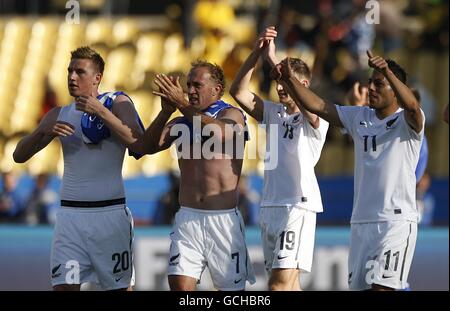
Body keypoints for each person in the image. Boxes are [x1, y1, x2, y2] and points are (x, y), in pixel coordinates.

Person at [275, 51, 425, 291]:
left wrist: (387, 70)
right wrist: (288, 79)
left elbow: (413, 105)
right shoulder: (359, 116)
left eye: (379, 83)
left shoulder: (407, 122)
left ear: (395, 90)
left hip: (394, 223)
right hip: (361, 223)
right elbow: (318, 105)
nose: (371, 88)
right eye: (370, 82)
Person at [13, 46, 144, 291]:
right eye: (70, 71)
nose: (72, 77)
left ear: (97, 78)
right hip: (70, 219)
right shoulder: (60, 114)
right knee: (64, 287)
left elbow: (137, 142)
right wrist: (43, 131)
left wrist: (101, 112)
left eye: (80, 72)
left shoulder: (117, 102)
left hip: (109, 215)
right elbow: (19, 155)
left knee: (119, 289)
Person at [131, 60, 255, 291]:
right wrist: (165, 111)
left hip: (223, 221)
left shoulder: (232, 114)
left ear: (216, 89)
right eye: (188, 85)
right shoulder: (181, 120)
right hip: (188, 218)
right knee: (179, 285)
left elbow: (220, 134)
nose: (190, 91)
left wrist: (180, 103)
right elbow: (144, 147)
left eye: (197, 85)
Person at [230, 26, 329, 290]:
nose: (279, 86)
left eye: (286, 81)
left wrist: (274, 60)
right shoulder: (273, 112)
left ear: (303, 85)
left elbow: (309, 107)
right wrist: (256, 53)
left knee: (277, 286)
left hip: (298, 204)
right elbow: (238, 92)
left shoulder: (316, 116)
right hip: (270, 205)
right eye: (277, 81)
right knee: (290, 285)